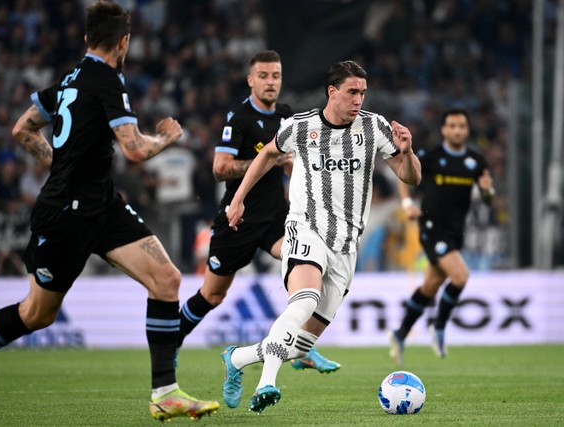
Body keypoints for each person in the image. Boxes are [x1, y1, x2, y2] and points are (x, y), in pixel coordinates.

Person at [0, 1, 218, 421]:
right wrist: (167, 137)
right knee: (36, 314)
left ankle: (165, 392)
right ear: (124, 42)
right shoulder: (108, 80)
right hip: (65, 214)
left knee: (167, 279)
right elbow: (135, 149)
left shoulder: (68, 82)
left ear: (86, 38)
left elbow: (22, 128)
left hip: (101, 205)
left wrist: (60, 162)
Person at [222, 60, 421, 414]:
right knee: (304, 300)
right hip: (306, 227)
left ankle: (237, 358)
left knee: (300, 345)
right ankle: (266, 382)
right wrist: (238, 199)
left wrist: (407, 151)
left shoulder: (374, 127)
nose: (359, 99)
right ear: (333, 92)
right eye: (352, 92)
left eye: (362, 92)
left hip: (346, 245)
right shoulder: (300, 126)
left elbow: (411, 178)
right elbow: (268, 153)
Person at [176, 50, 341, 376]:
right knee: (211, 295)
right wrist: (269, 161)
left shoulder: (287, 115)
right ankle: (170, 343)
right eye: (263, 76)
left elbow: (296, 162)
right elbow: (220, 169)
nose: (270, 82)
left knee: (309, 270)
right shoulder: (239, 119)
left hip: (277, 220)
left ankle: (301, 346)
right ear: (251, 80)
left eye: (275, 76)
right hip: (238, 221)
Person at [388, 108, 495, 365]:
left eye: (461, 126)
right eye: (452, 126)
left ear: (467, 130)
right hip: (432, 226)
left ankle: (400, 334)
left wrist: (487, 191)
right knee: (460, 276)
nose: (457, 130)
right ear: (444, 130)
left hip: (456, 230)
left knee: (431, 286)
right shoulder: (431, 155)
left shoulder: (476, 161)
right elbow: (405, 173)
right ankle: (438, 327)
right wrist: (407, 204)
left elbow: (488, 199)